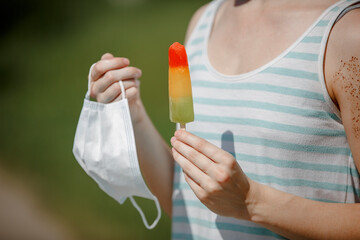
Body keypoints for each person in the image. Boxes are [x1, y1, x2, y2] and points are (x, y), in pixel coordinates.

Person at [86, 0, 360, 239]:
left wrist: (252, 202)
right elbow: (188, 206)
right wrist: (132, 113)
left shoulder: (348, 34)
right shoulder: (204, 20)